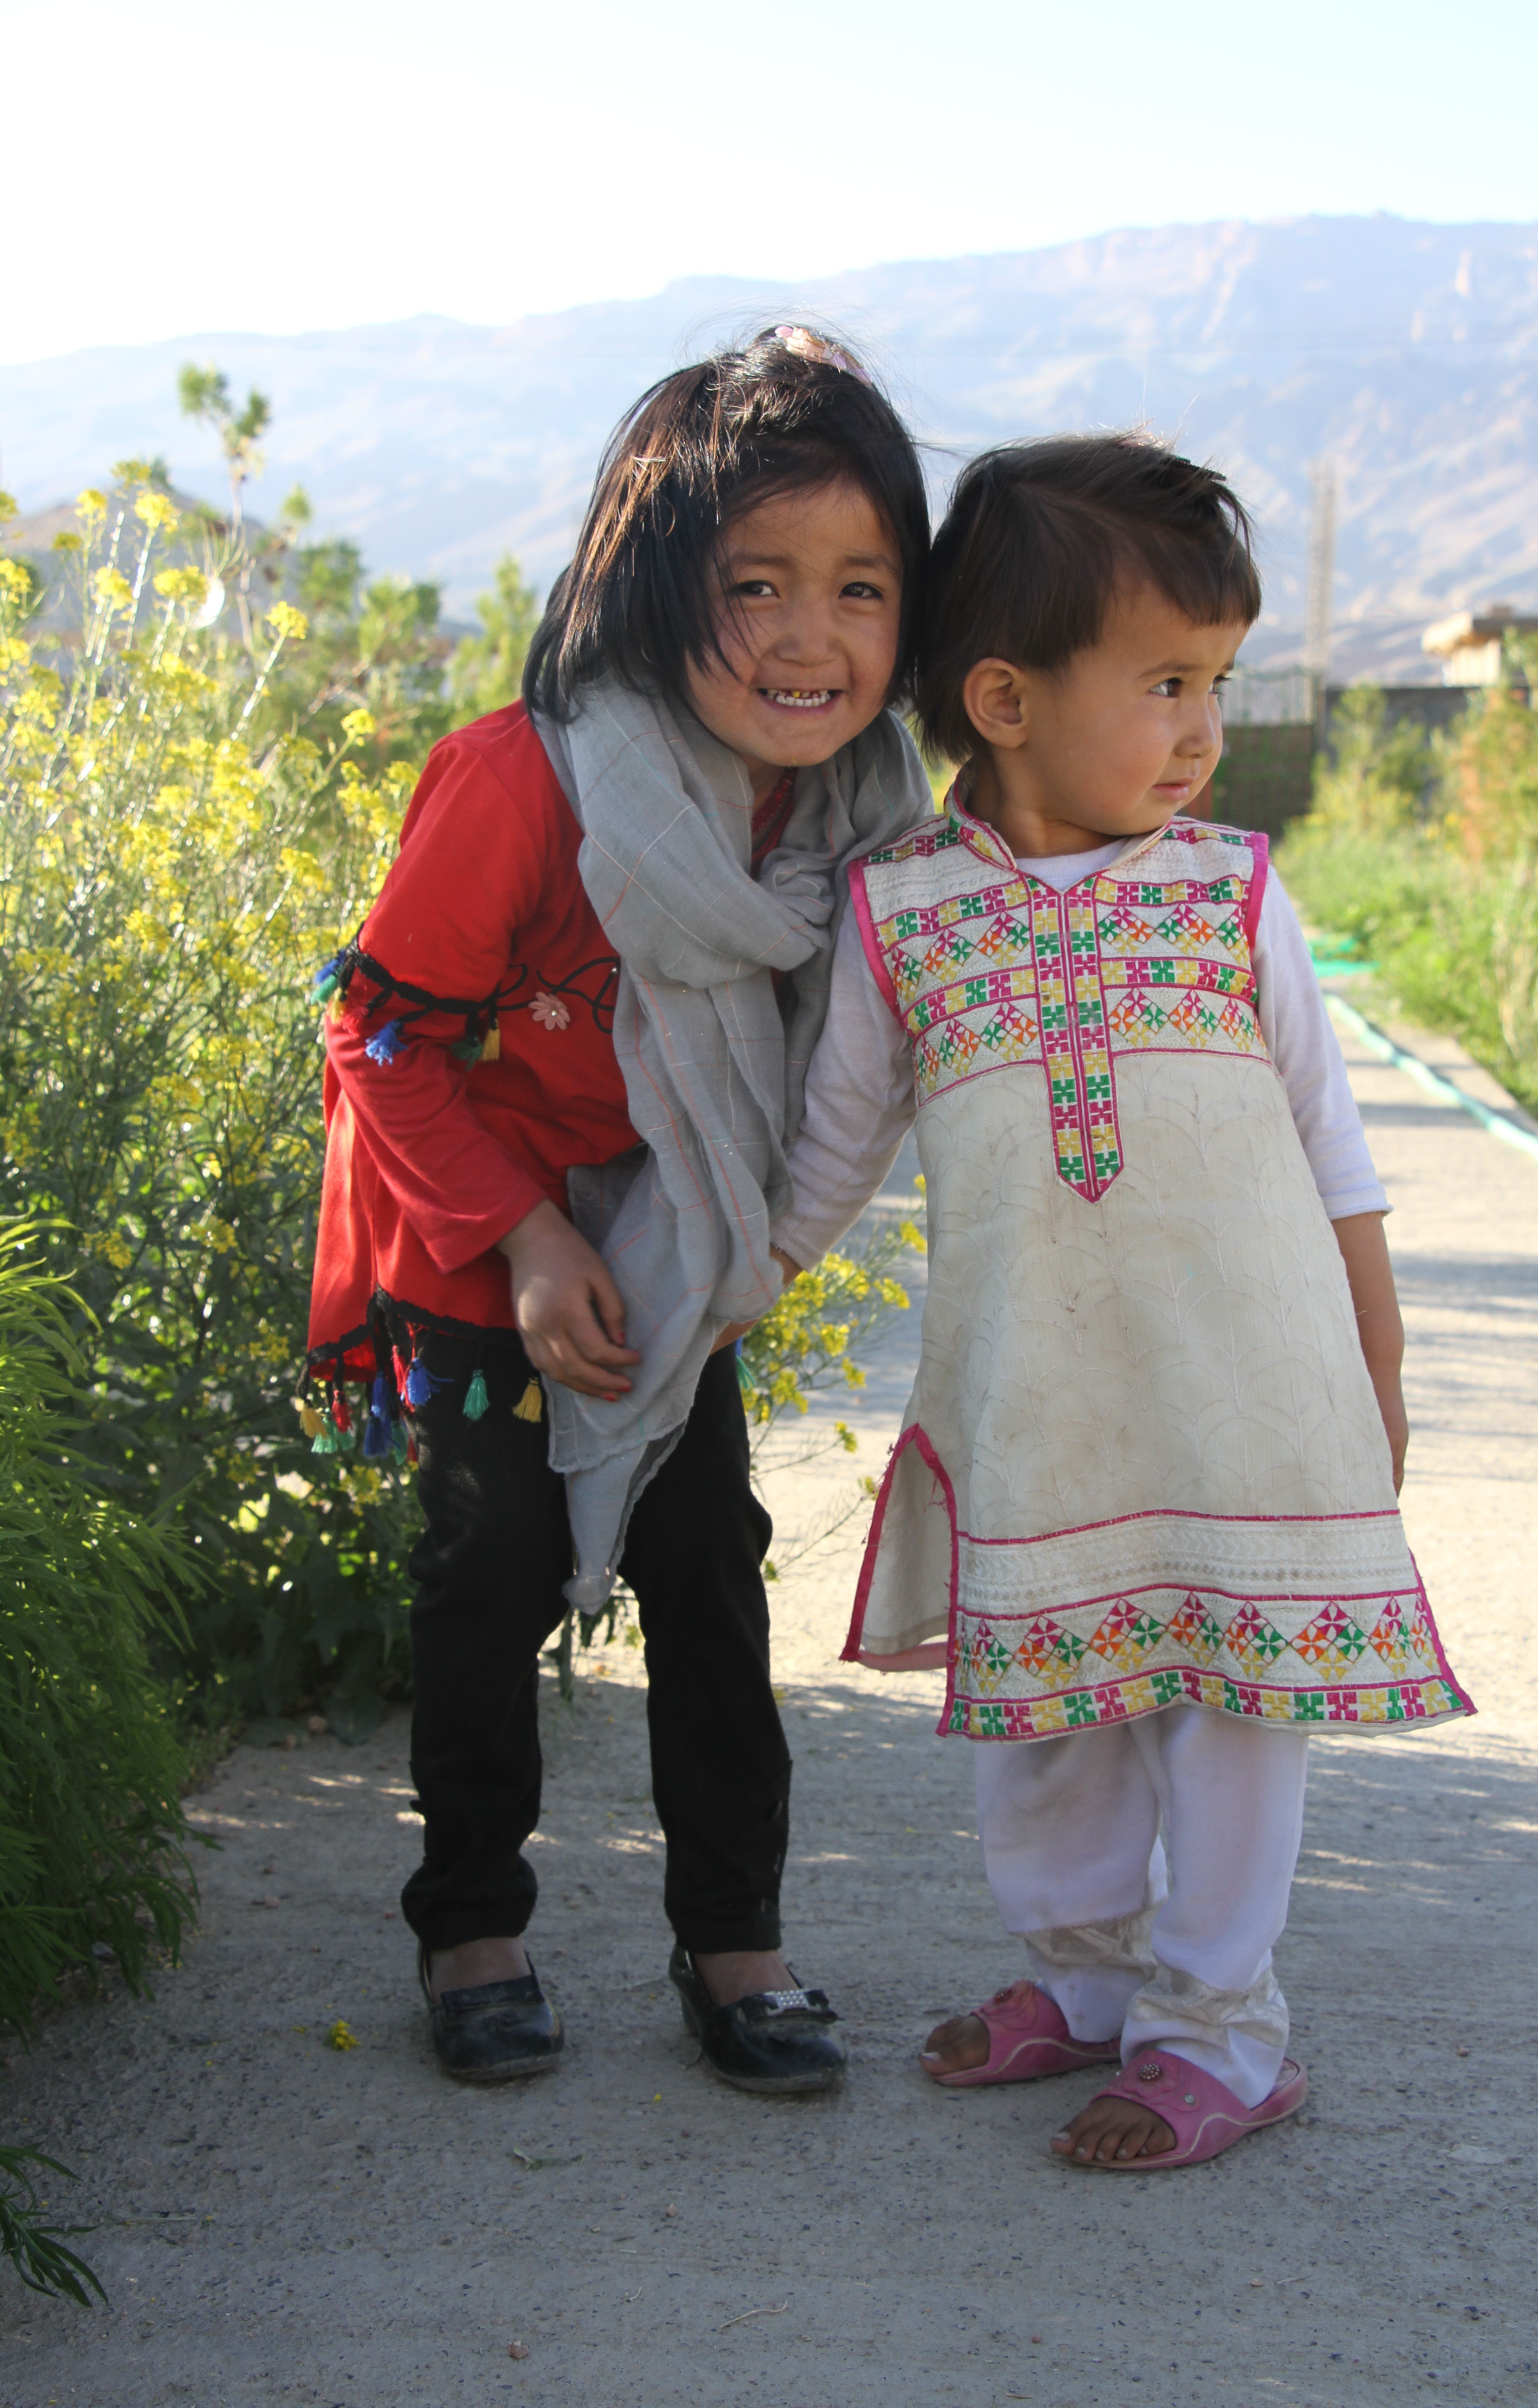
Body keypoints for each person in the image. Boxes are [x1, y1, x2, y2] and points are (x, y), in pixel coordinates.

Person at [767, 432, 1472, 2167]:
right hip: (1040, 1403)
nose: (1203, 728)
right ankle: (1083, 1987)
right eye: (1166, 682)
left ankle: (1222, 2031)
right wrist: (718, 1293)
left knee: (1233, 1719)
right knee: (1054, 1716)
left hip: (1256, 1399)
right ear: (1003, 698)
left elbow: (1336, 1149)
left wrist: (1376, 1365)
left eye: (1217, 682)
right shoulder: (904, 916)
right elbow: (829, 1163)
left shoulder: (1233, 891)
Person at [299, 326, 933, 2092]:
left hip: (673, 1229)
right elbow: (379, 1029)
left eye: (864, 588)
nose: (815, 637)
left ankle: (736, 1945)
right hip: (476, 1216)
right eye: (759, 585)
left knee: (711, 1571)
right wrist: (527, 1239)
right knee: (487, 1566)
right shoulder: (534, 780)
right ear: (652, 589)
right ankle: (475, 1928)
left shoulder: (859, 814)